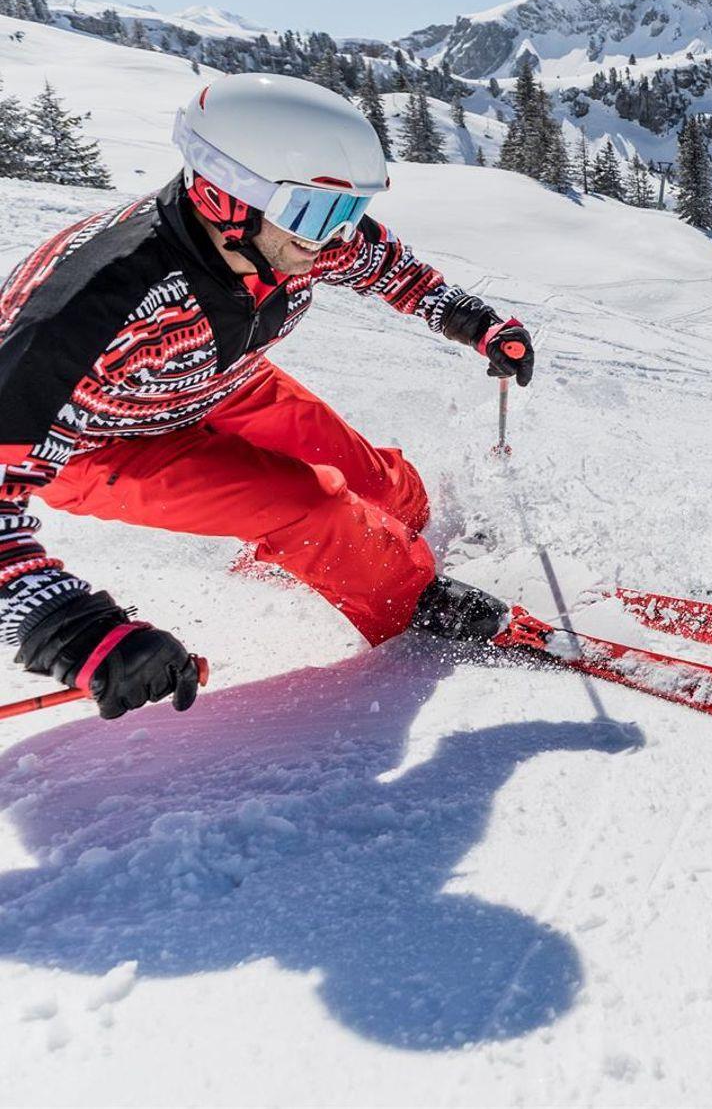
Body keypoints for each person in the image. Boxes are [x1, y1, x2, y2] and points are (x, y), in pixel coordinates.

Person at [1, 73, 531, 721]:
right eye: (317, 214)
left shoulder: (292, 234)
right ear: (222, 195)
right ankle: (411, 600)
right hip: (104, 443)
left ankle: (377, 543)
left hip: (217, 382)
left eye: (348, 210)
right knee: (311, 505)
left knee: (383, 488)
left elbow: (386, 265)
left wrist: (473, 322)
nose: (334, 237)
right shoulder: (84, 309)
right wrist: (67, 628)